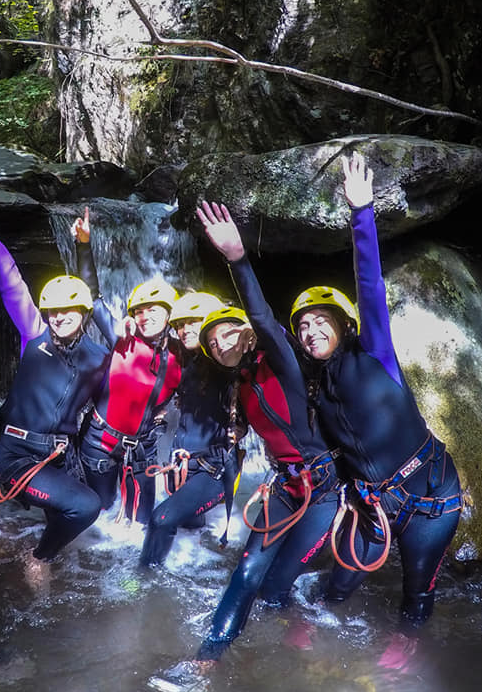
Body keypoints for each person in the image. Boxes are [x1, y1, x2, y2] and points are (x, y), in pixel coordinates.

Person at [292, 152, 462, 635]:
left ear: (343, 326)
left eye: (319, 321)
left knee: (416, 595)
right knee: (335, 589)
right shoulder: (317, 390)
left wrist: (361, 213)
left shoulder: (376, 354)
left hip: (431, 499)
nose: (310, 331)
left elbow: (368, 284)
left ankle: (406, 666)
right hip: (374, 507)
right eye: (302, 326)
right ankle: (301, 650)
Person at [186, 201, 344, 663]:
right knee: (250, 568)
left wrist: (237, 259)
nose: (219, 344)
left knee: (275, 587)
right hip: (284, 486)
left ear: (248, 334)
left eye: (227, 334)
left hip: (322, 490)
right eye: (212, 344)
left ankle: (297, 618)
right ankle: (209, 655)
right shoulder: (239, 385)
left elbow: (259, 314)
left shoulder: (282, 362)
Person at [0, 194, 108, 561]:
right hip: (17, 453)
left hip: (62, 453)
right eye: (53, 311)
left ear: (84, 312)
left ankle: (48, 557)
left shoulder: (98, 358)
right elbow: (12, 286)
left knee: (85, 504)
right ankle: (38, 558)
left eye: (68, 310)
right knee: (86, 507)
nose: (58, 317)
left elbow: (108, 405)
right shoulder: (34, 335)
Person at [74, 210, 183, 525]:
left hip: (143, 449)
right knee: (101, 516)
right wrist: (84, 244)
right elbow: (93, 299)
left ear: (169, 315)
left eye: (154, 310)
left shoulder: (183, 354)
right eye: (140, 311)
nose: (146, 316)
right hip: (99, 442)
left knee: (143, 523)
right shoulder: (122, 338)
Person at [139, 291, 245, 565]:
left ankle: (143, 584)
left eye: (193, 322)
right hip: (184, 465)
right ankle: (193, 569)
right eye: (180, 324)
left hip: (214, 471)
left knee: (161, 520)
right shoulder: (190, 360)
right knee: (188, 527)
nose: (185, 329)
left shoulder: (225, 361)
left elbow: (245, 355)